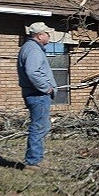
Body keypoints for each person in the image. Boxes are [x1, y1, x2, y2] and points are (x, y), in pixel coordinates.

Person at [17, 22, 63, 170]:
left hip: (35, 94)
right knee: (38, 127)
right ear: (40, 35)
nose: (49, 36)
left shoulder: (30, 48)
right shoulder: (33, 50)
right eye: (47, 33)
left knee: (42, 126)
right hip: (38, 94)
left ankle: (37, 158)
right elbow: (33, 72)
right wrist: (46, 88)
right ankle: (33, 161)